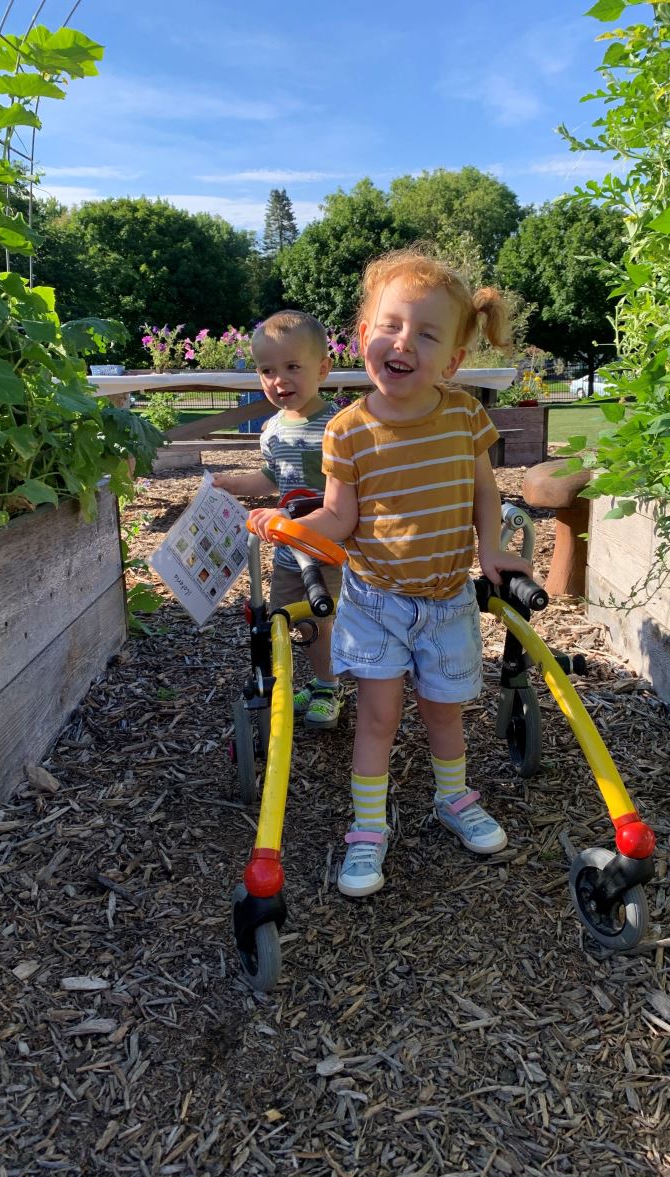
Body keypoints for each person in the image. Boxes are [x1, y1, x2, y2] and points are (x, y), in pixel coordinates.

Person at [250, 251, 535, 895]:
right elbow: (337, 515)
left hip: (446, 598)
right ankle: (368, 828)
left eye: (426, 334)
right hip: (376, 600)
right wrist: (285, 525)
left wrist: (489, 549)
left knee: (444, 712)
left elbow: (484, 492)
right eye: (391, 325)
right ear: (364, 336)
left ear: (453, 361)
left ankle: (452, 797)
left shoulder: (464, 416)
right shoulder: (348, 431)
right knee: (378, 718)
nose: (403, 342)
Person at [213, 310, 343, 731]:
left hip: (332, 548)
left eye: (292, 367)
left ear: (322, 368)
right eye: (267, 370)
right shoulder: (271, 429)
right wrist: (229, 482)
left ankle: (328, 685)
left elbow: (354, 490)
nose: (278, 380)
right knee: (292, 620)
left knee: (323, 618)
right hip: (289, 552)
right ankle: (321, 679)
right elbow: (272, 477)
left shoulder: (339, 426)